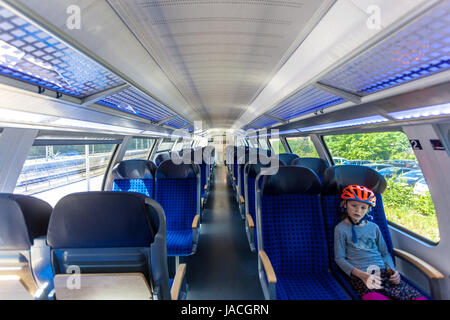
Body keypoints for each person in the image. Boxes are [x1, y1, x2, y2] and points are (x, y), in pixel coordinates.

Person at [334, 185, 427, 300]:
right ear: (344, 204)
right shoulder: (341, 229)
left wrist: (393, 270)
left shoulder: (374, 228)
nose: (358, 210)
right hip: (361, 275)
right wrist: (362, 275)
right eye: (353, 205)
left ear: (368, 210)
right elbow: (339, 258)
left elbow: (384, 253)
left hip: (383, 272)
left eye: (363, 207)